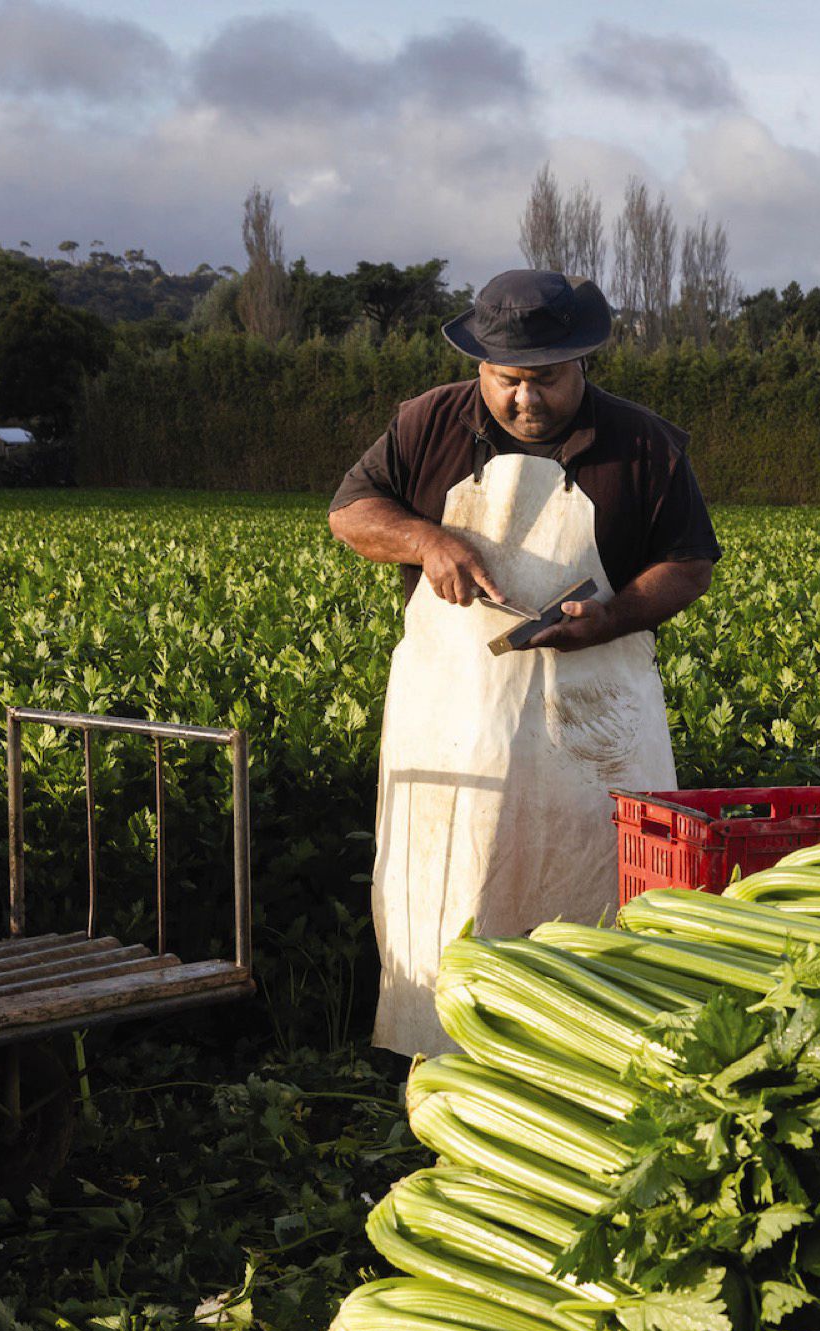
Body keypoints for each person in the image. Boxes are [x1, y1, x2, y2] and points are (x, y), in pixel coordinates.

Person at [329, 268, 720, 1056]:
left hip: (593, 728)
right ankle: (434, 1056)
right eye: (507, 381)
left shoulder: (643, 444)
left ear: (583, 366)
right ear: (482, 367)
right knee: (449, 889)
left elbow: (688, 564)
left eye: (545, 381)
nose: (525, 401)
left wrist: (611, 616)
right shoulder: (426, 422)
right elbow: (352, 514)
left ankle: (596, 1058)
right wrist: (427, 540)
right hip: (454, 723)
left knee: (591, 898)